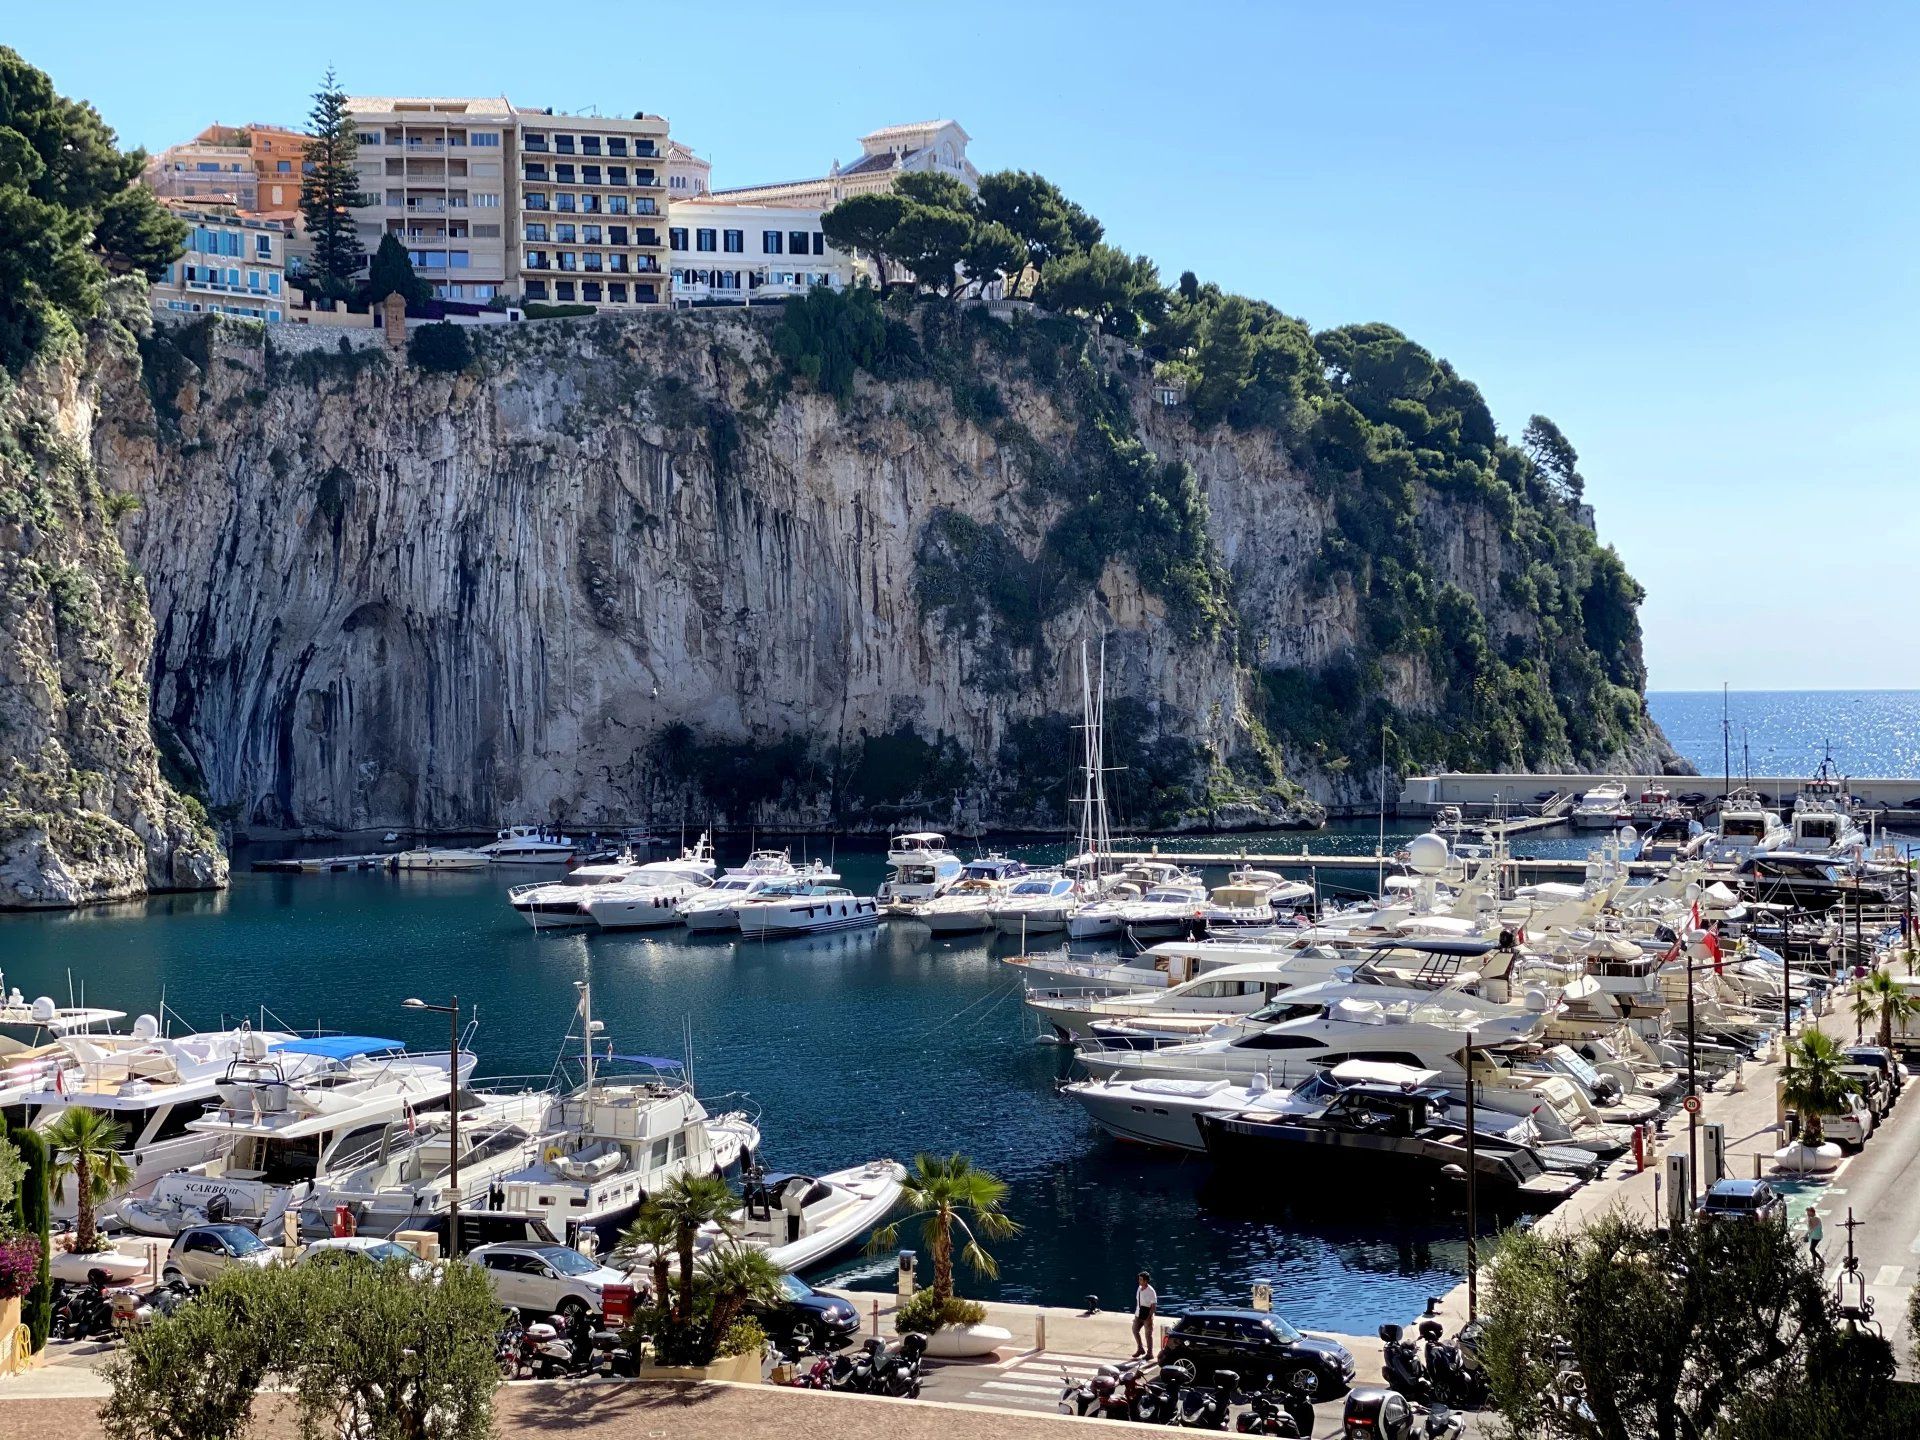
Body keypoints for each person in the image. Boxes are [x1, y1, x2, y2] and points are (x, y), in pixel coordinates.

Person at [1132, 1271, 1158, 1357]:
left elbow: (1154, 1305)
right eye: (1139, 1279)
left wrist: (1150, 1316)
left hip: (1147, 1315)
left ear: (1146, 1281)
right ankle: (1140, 1348)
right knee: (1135, 1330)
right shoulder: (1139, 1288)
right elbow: (1137, 1301)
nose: (1139, 1281)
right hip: (1138, 1314)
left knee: (1148, 1335)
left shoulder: (1151, 1291)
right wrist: (1136, 1314)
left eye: (1141, 1279)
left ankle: (1150, 1353)